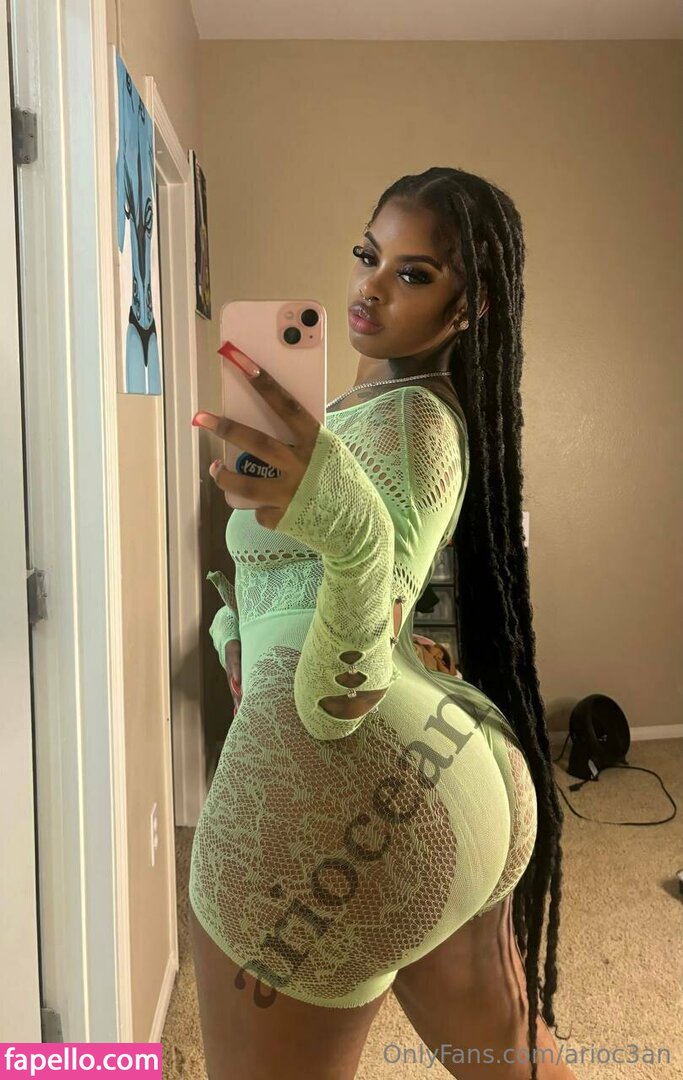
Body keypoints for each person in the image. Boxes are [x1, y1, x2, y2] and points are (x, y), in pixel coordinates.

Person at [189, 166, 574, 1079]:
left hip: (336, 799)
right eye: (369, 256)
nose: (370, 286)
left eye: (413, 273)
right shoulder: (364, 416)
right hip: (446, 772)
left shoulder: (415, 431)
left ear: (468, 307)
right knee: (509, 1063)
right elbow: (299, 586)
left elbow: (337, 700)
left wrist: (347, 525)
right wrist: (236, 635)